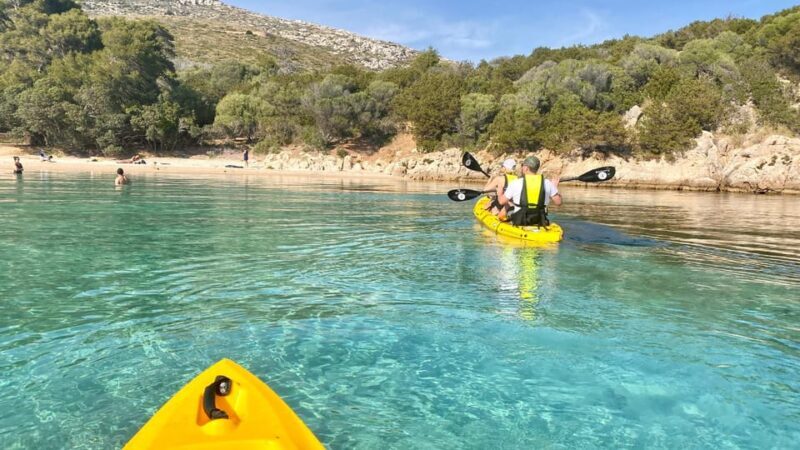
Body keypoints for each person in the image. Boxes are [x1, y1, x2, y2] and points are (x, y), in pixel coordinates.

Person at [496, 156, 561, 226]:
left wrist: (499, 192)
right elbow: (558, 202)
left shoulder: (515, 183)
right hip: (539, 219)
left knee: (507, 207)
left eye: (523, 166)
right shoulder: (547, 183)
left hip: (520, 220)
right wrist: (555, 188)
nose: (522, 167)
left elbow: (501, 202)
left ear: (526, 168)